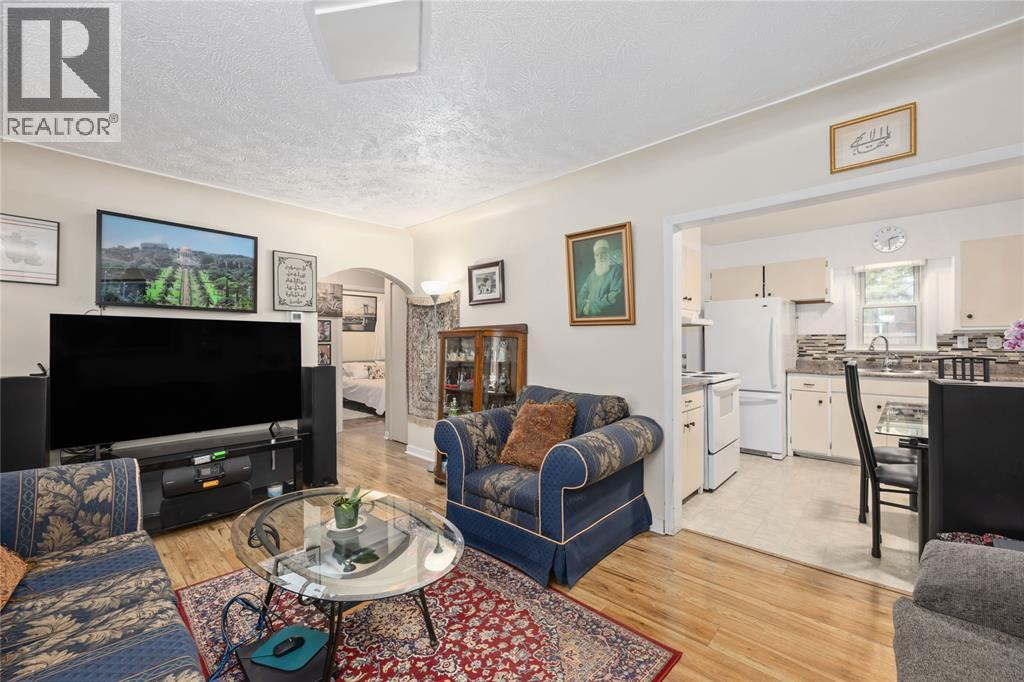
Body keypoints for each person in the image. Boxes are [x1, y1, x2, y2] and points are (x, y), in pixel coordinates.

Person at [576, 238, 624, 317]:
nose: (600, 257)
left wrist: (591, 308)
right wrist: (584, 306)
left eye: (603, 253)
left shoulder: (617, 270)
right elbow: (581, 294)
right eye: (597, 255)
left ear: (608, 253)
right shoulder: (592, 274)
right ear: (595, 257)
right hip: (589, 317)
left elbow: (615, 296)